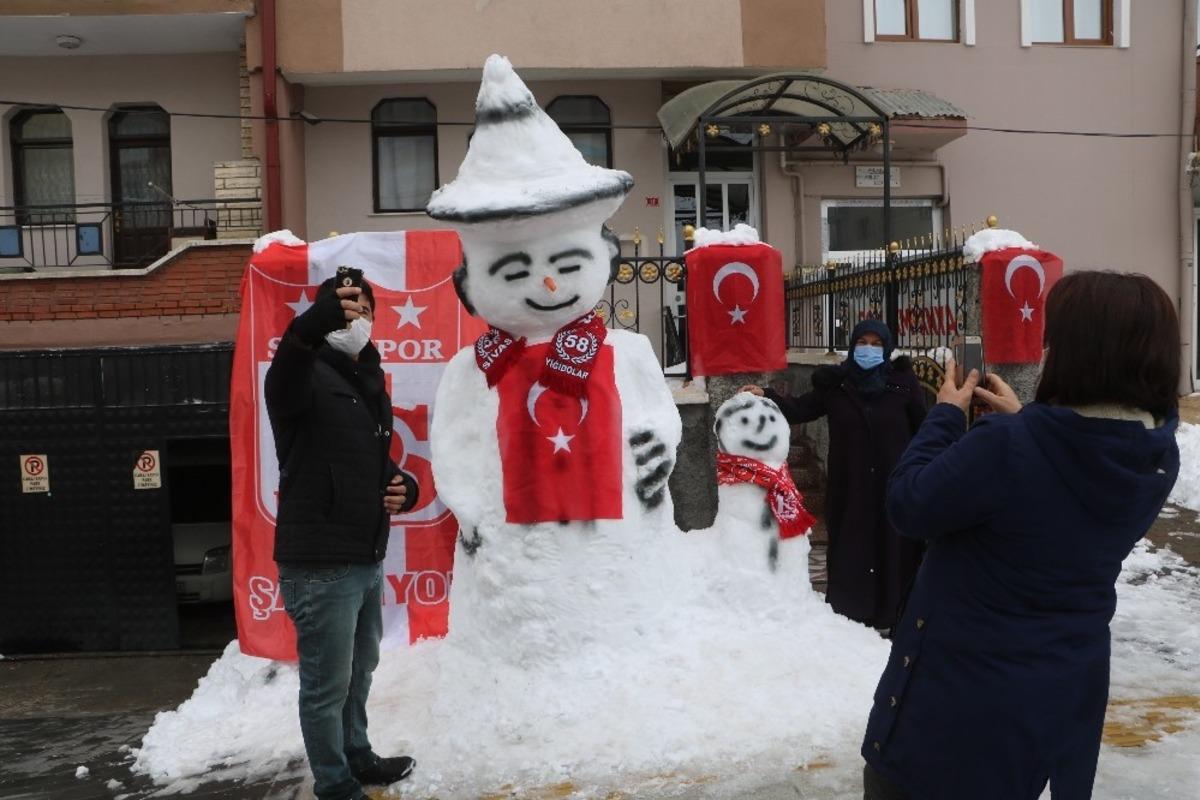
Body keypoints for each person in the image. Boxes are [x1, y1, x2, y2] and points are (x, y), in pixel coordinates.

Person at [861, 271, 1181, 800]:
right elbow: (1073, 458)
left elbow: (909, 503)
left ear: (1078, 354)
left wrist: (944, 415)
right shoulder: (1153, 456)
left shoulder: (1006, 447)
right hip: (1051, 711)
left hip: (951, 717)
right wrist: (1029, 419)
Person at [264, 275, 420, 800]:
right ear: (328, 314)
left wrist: (406, 487)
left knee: (360, 672)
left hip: (363, 553)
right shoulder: (303, 374)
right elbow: (281, 378)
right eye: (349, 308)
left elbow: (370, 463)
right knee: (326, 685)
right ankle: (335, 786)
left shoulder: (366, 378)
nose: (360, 317)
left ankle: (358, 755)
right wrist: (313, 324)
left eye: (367, 308)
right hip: (320, 560)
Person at [741, 319, 926, 630]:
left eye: (876, 343)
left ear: (887, 347)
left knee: (894, 546)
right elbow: (800, 409)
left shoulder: (904, 385)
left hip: (892, 483)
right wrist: (767, 394)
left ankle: (894, 612)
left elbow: (923, 429)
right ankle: (851, 612)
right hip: (849, 484)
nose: (869, 349)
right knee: (851, 544)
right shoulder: (837, 385)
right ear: (853, 347)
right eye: (862, 343)